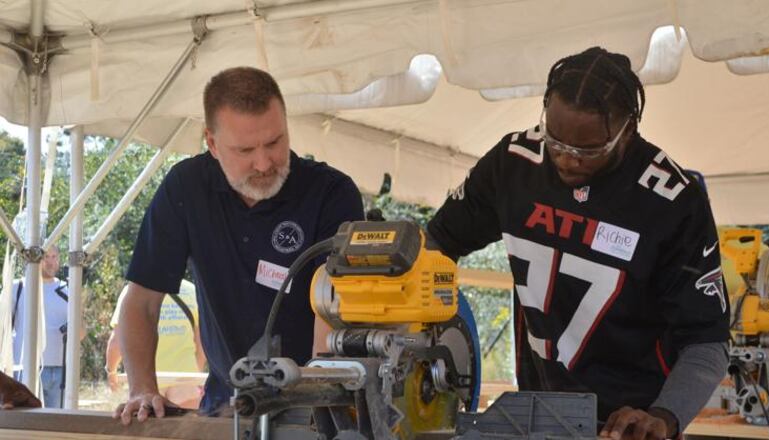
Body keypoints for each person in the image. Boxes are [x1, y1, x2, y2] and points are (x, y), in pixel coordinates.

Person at [427, 47, 729, 440]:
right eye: (555, 141)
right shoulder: (513, 163)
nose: (567, 160)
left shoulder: (673, 201)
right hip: (536, 415)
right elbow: (435, 244)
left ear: (628, 130)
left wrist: (664, 417)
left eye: (588, 150)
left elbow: (707, 342)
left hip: (629, 427)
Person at [114, 67, 364, 424]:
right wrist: (141, 389)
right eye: (245, 150)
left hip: (313, 402)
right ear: (212, 144)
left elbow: (332, 307)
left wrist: (315, 401)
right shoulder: (186, 189)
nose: (264, 163)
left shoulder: (331, 194)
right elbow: (141, 301)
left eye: (275, 142)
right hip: (225, 402)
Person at [106, 280, 206, 408]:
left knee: (150, 428)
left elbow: (116, 342)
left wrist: (111, 371)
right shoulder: (192, 291)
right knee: (184, 427)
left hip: (145, 383)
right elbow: (201, 341)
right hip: (184, 382)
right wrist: (195, 375)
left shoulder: (133, 292)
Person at [11, 247, 77, 408]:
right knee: (26, 423)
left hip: (61, 371)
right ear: (35, 258)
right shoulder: (18, 287)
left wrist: (75, 328)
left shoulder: (68, 289)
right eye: (46, 257)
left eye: (54, 257)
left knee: (56, 426)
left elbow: (81, 332)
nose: (51, 262)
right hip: (25, 369)